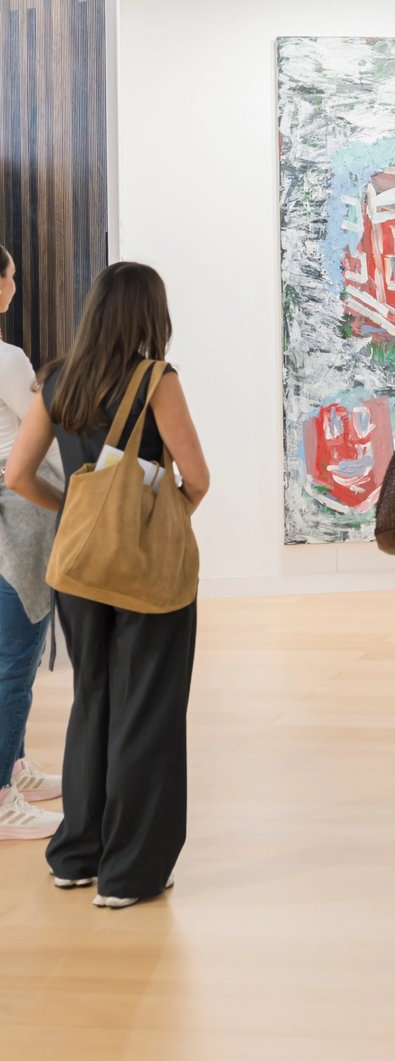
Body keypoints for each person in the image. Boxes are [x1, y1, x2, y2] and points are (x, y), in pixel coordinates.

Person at [5, 262, 209, 908]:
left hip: (78, 564)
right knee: (148, 705)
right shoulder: (156, 379)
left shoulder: (57, 378)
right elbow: (197, 477)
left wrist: (72, 511)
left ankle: (75, 854)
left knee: (93, 698)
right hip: (146, 570)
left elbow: (17, 474)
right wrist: (157, 520)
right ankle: (130, 872)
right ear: (152, 313)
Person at [0, 245, 66, 841]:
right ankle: (1, 798)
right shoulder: (9, 358)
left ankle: (14, 768)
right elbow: (36, 437)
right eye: (12, 276)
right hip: (17, 521)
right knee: (15, 659)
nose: (16, 286)